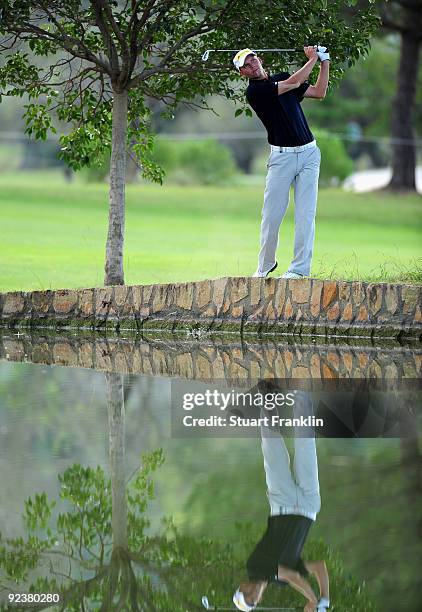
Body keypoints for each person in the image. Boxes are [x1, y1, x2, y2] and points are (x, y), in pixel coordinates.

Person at [233, 46, 330, 279]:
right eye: (245, 65)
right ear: (242, 74)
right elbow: (295, 82)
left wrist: (325, 62)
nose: (251, 65)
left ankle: (298, 269)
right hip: (281, 158)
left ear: (259, 58)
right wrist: (313, 59)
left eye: (252, 59)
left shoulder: (281, 77)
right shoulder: (255, 92)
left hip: (309, 154)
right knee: (272, 214)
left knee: (306, 215)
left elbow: (319, 92)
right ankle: (264, 266)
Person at [232, 390, 330, 612]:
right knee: (306, 444)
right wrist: (324, 599)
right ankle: (302, 387)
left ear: (243, 585)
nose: (252, 595)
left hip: (281, 501)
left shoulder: (256, 567)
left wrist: (312, 600)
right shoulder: (282, 582)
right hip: (308, 506)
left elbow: (291, 574)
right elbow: (319, 567)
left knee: (272, 445)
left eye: (246, 594)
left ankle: (268, 391)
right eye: (252, 601)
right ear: (259, 601)